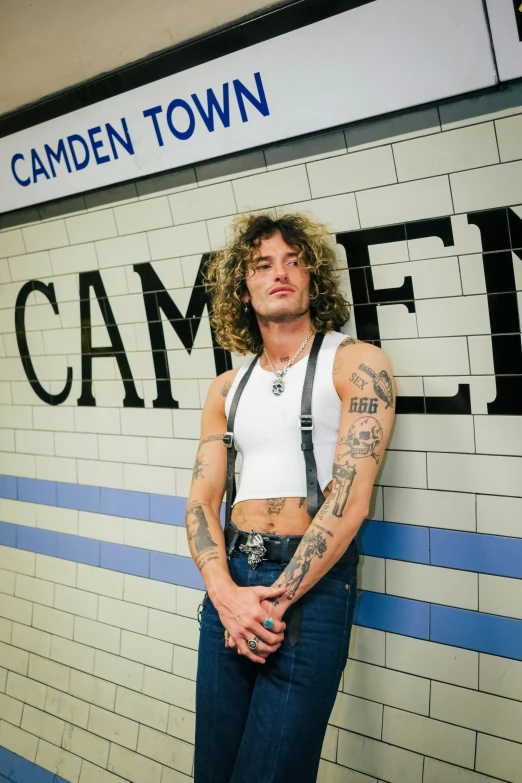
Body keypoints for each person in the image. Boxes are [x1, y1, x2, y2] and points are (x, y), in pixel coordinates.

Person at [186, 212, 396, 783]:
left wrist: (273, 603)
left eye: (293, 260)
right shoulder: (226, 387)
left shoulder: (358, 363)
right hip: (231, 574)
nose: (280, 273)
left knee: (273, 771)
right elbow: (202, 501)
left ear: (312, 277)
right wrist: (227, 595)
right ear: (243, 286)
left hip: (313, 585)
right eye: (262, 265)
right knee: (214, 770)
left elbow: (349, 501)